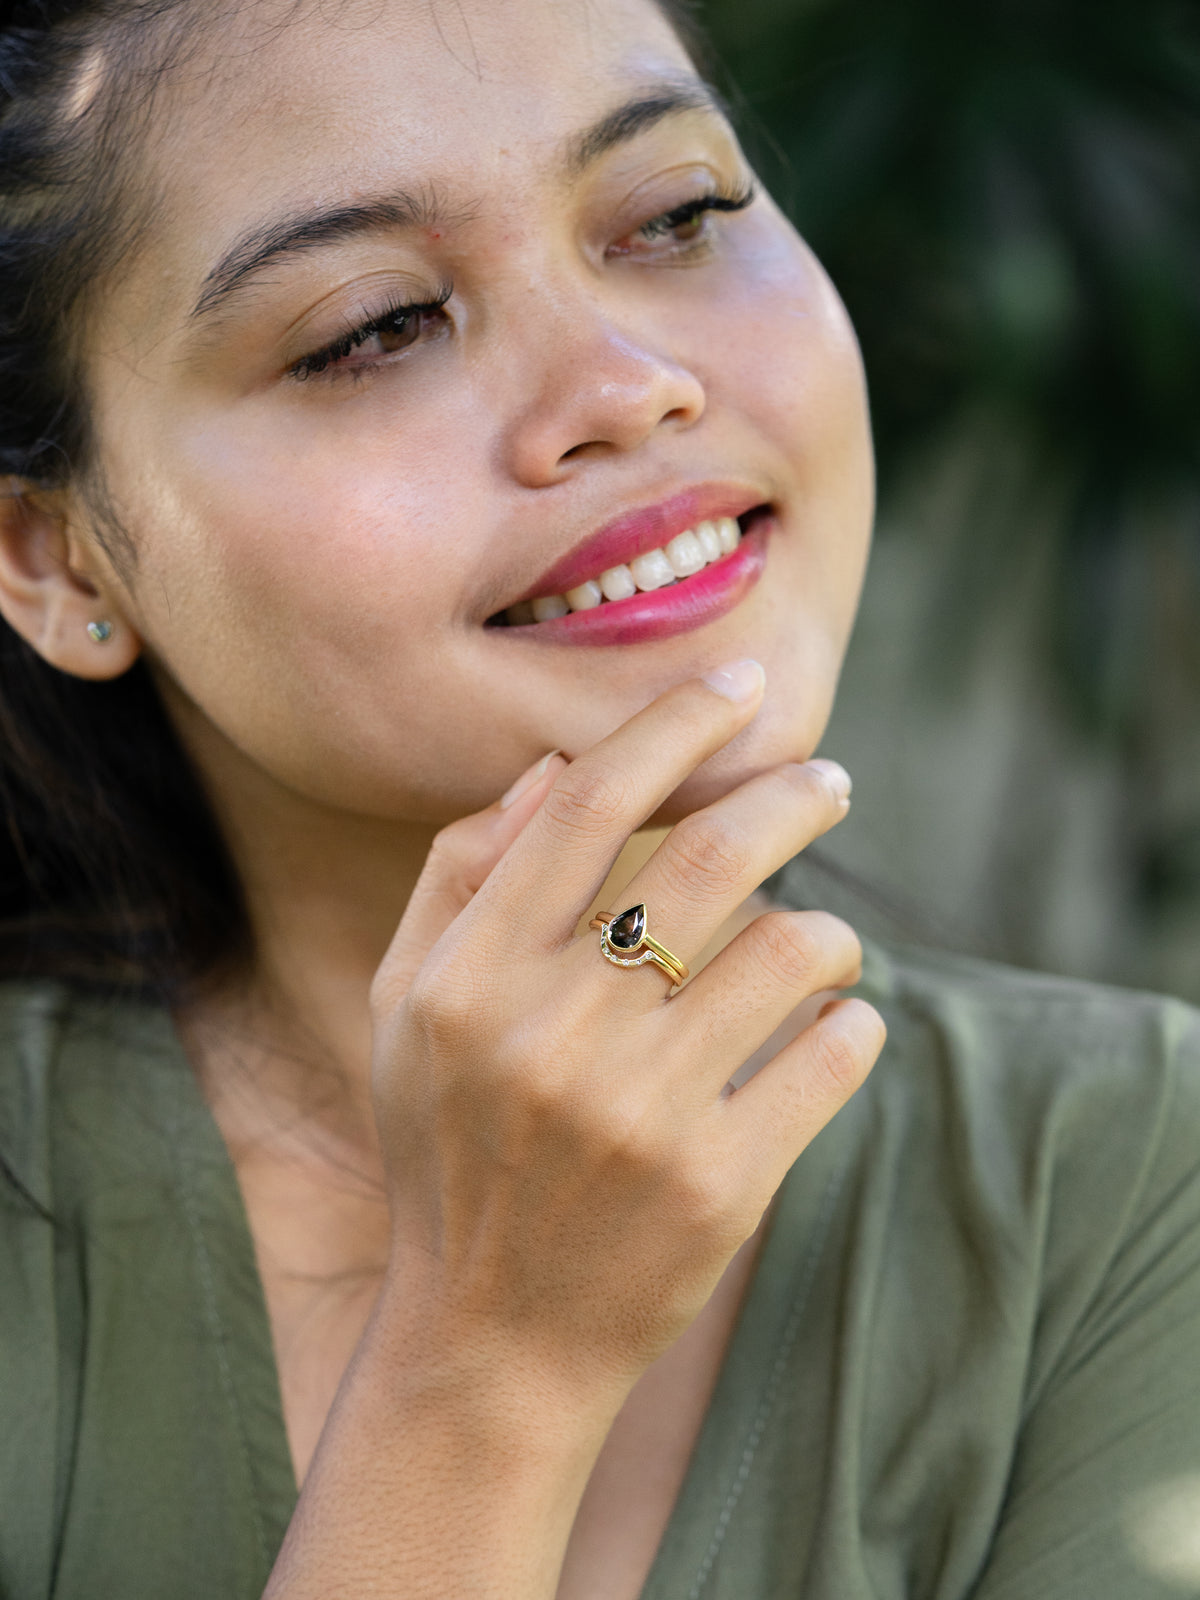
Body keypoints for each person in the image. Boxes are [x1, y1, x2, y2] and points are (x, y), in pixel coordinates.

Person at [0, 1, 1197, 1596]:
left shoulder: (1129, 1183)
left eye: (679, 213)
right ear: (57, 555)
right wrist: (482, 1373)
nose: (630, 388)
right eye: (373, 326)